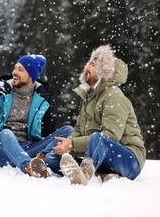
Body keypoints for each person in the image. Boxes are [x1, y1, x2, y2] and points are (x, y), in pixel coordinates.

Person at [0, 54, 74, 177]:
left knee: (68, 130)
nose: (15, 72)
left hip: (27, 147)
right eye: (15, 68)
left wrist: (48, 148)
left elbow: (48, 132)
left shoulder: (45, 98)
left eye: (21, 69)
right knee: (7, 133)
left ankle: (41, 159)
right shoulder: (0, 91)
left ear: (32, 75)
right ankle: (30, 167)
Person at [54, 45, 146, 185]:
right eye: (88, 63)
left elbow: (109, 136)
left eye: (92, 64)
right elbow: (78, 129)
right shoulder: (88, 96)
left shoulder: (113, 95)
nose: (87, 67)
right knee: (54, 158)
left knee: (99, 138)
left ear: (104, 71)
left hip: (130, 161)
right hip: (104, 159)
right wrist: (66, 144)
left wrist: (73, 144)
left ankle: (84, 175)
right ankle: (106, 175)